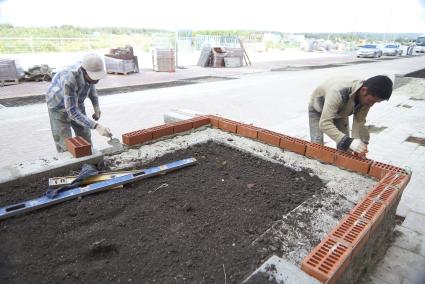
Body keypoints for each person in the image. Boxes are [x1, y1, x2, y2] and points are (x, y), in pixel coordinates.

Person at [308, 75, 393, 154]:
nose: (371, 105)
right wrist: (348, 142)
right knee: (317, 147)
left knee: (345, 149)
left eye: (375, 102)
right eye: (371, 101)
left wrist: (362, 143)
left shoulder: (366, 98)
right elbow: (324, 124)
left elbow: (359, 122)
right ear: (364, 90)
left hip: (340, 111)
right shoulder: (338, 92)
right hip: (318, 109)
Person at [46, 53, 112, 152]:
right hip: (57, 105)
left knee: (85, 135)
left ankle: (89, 161)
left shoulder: (90, 69)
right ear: (84, 71)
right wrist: (96, 126)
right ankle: (70, 165)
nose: (97, 79)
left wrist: (96, 106)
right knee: (66, 143)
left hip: (76, 102)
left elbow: (91, 85)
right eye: (94, 76)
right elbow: (72, 112)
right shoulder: (70, 78)